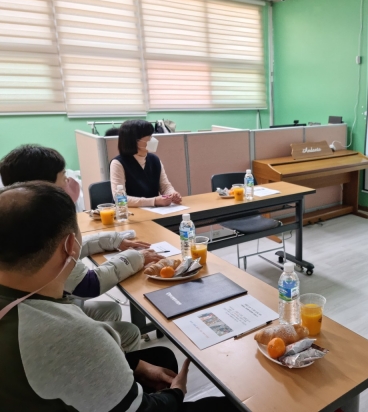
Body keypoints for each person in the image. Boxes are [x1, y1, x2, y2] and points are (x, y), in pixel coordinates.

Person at [0, 181, 237, 411]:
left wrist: (135, 365)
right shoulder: (69, 334)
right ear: (70, 245)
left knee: (160, 356)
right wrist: (176, 393)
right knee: (228, 405)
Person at [0, 144, 165, 352]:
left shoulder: (17, 218)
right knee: (128, 332)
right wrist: (137, 257)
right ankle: (126, 364)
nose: (69, 181)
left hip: (45, 308)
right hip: (46, 318)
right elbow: (88, 285)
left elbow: (71, 247)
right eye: (63, 176)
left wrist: (112, 240)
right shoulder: (42, 227)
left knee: (111, 309)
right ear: (44, 185)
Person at [110, 120, 182, 208]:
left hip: (155, 211)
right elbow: (119, 199)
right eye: (148, 136)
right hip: (131, 213)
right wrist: (154, 201)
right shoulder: (118, 163)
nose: (152, 139)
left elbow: (165, 186)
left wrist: (172, 194)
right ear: (134, 140)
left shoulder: (154, 159)